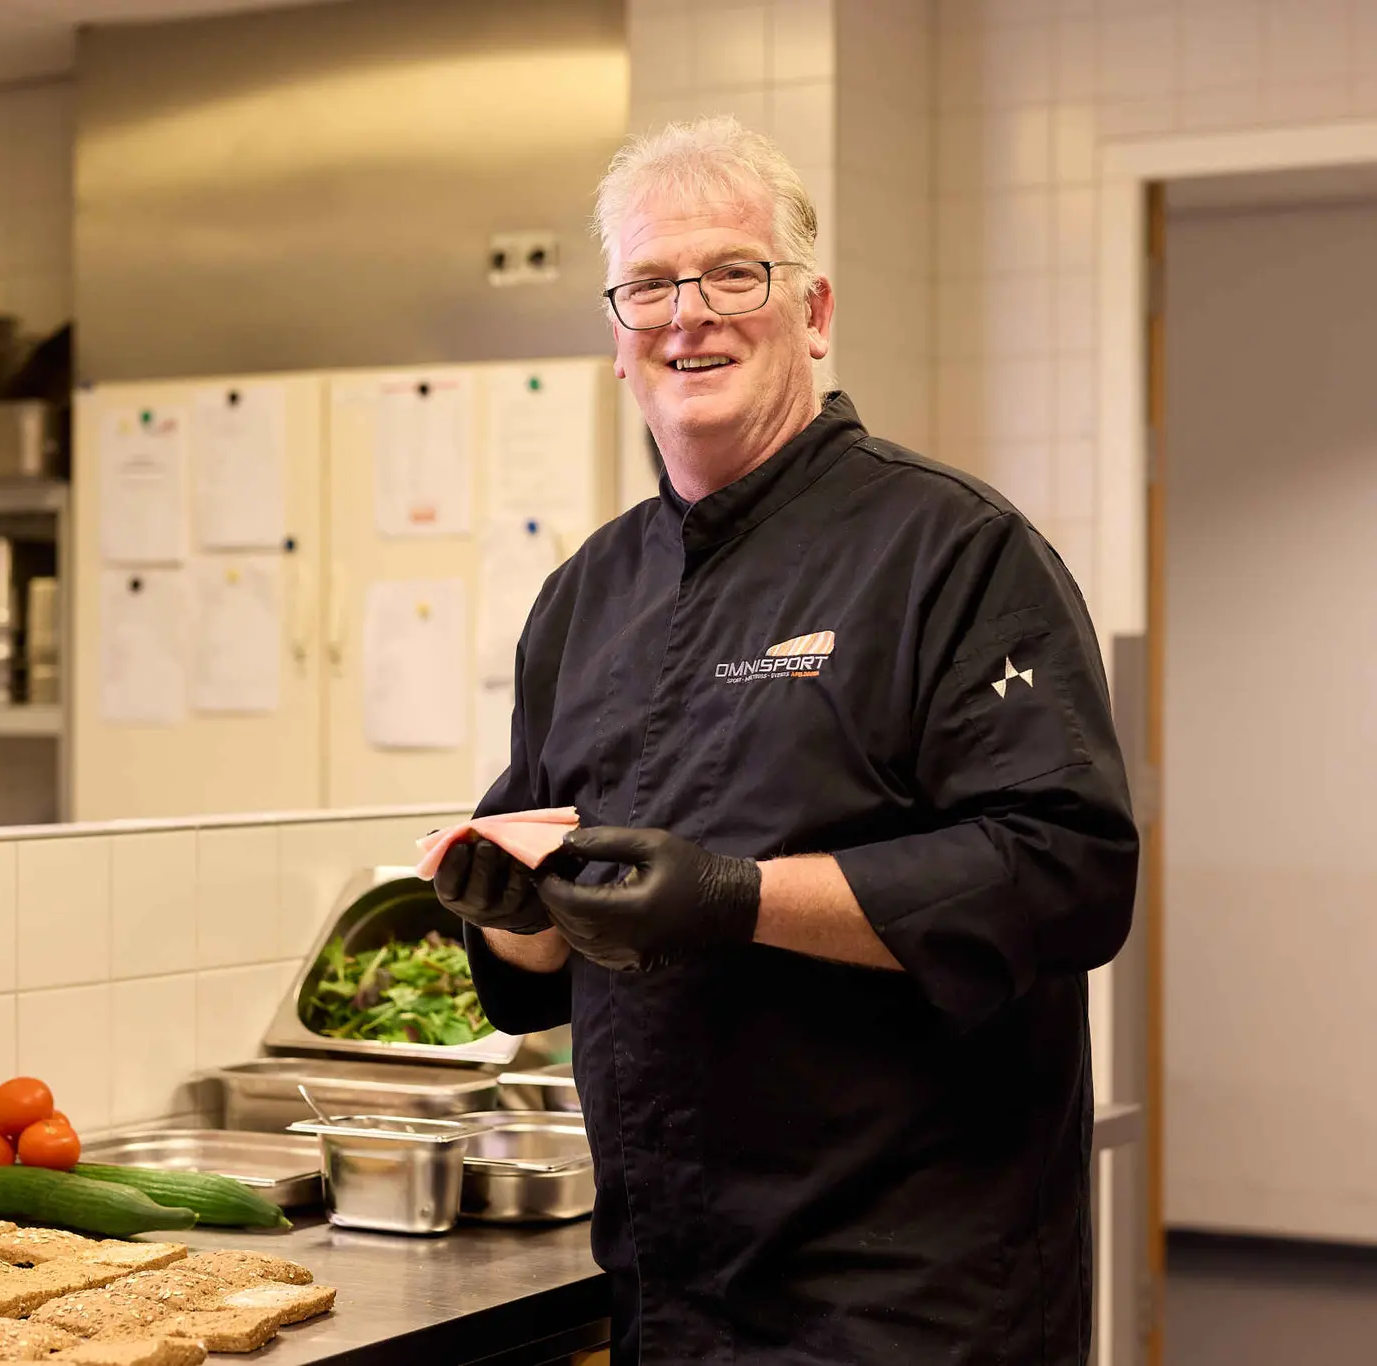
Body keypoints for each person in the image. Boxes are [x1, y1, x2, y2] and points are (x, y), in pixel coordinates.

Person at [437, 117, 1139, 1365]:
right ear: (615, 336)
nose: (685, 316)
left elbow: (1065, 872)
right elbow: (544, 949)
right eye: (648, 284)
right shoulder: (585, 595)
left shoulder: (953, 552)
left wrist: (735, 898)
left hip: (912, 1297)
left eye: (730, 274)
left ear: (811, 313)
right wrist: (502, 904)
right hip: (669, 1280)